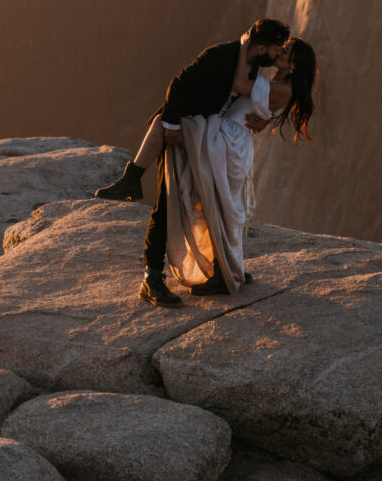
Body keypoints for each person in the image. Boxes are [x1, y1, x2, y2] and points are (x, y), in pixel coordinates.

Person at [94, 18, 291, 306]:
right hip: (181, 134)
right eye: (276, 49)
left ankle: (223, 266)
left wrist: (265, 120)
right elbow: (179, 85)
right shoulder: (220, 56)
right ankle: (151, 279)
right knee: (166, 205)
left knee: (209, 204)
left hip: (203, 137)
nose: (278, 54)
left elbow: (249, 99)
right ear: (261, 47)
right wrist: (172, 126)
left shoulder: (253, 64)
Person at [165, 32, 317, 296]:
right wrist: (265, 118)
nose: (280, 50)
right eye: (282, 46)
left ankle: (223, 273)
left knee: (214, 204)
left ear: (293, 64)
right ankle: (229, 266)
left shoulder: (283, 87)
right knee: (218, 205)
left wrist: (244, 47)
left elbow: (240, 83)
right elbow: (259, 105)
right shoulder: (277, 81)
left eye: (286, 51)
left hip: (228, 143)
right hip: (231, 141)